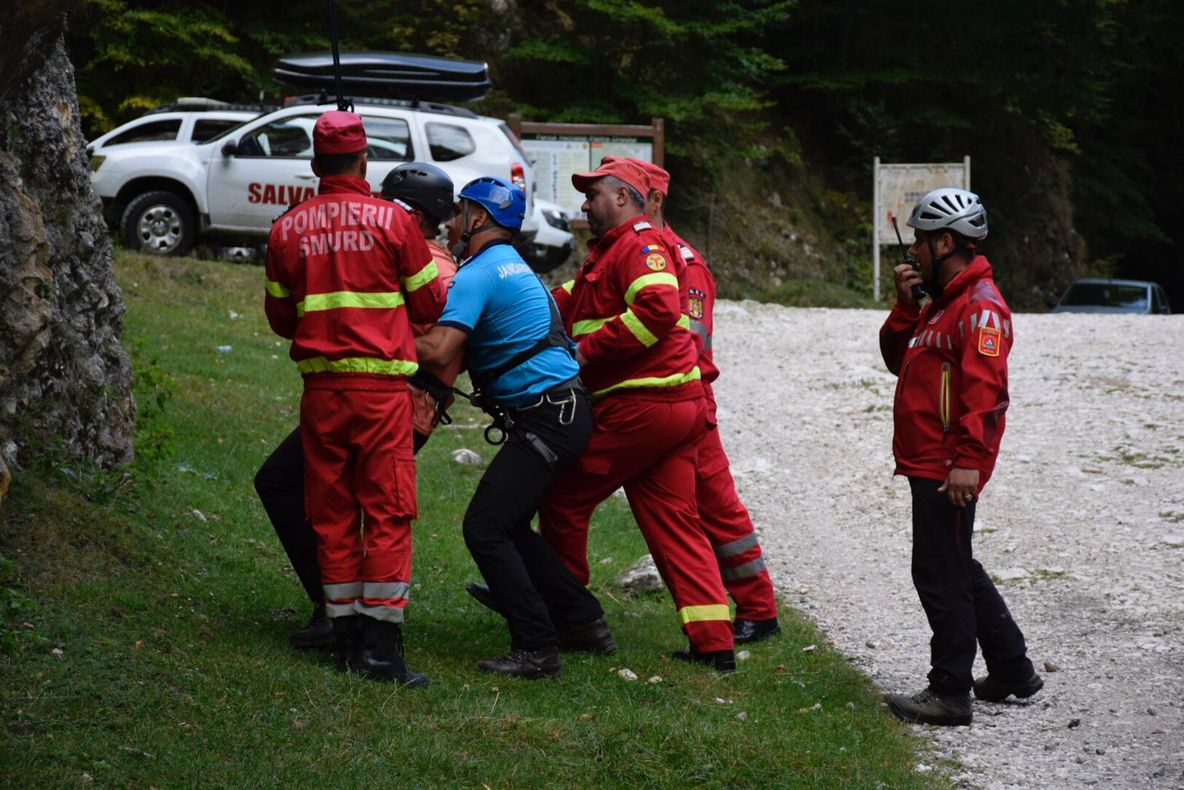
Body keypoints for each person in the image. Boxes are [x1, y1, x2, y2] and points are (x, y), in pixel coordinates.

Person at [264, 112, 446, 686]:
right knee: (388, 512)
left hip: (321, 394)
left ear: (316, 165)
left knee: (332, 512)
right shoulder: (395, 222)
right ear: (366, 161)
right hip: (383, 395)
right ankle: (381, 651)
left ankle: (343, 639)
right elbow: (431, 306)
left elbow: (280, 317)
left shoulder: (286, 229)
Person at [538, 158, 736, 671]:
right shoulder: (611, 251)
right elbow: (571, 300)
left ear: (623, 198)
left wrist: (585, 352)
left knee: (562, 499)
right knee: (676, 523)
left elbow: (655, 309)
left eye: (594, 194)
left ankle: (570, 617)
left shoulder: (639, 245)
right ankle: (714, 643)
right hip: (673, 408)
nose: (585, 204)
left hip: (645, 406)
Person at [415, 176, 614, 679]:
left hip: (549, 416)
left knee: (483, 527)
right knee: (508, 525)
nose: (452, 221)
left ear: (479, 219)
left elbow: (439, 350)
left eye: (460, 212)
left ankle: (537, 646)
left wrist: (370, 333)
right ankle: (583, 620)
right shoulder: (510, 264)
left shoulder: (479, 273)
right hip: (564, 412)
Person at [879, 187, 1042, 725]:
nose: (913, 254)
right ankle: (1013, 669)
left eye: (921, 244)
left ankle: (949, 691)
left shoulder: (980, 308)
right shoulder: (943, 305)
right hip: (930, 459)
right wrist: (905, 309)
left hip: (947, 464)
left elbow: (986, 393)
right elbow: (896, 360)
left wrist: (969, 461)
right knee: (956, 563)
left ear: (945, 241)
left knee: (938, 572)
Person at [619, 156, 782, 644]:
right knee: (706, 508)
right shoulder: (640, 252)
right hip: (664, 397)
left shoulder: (684, 264)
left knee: (718, 508)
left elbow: (688, 340)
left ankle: (757, 608)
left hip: (686, 396)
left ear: (655, 200)